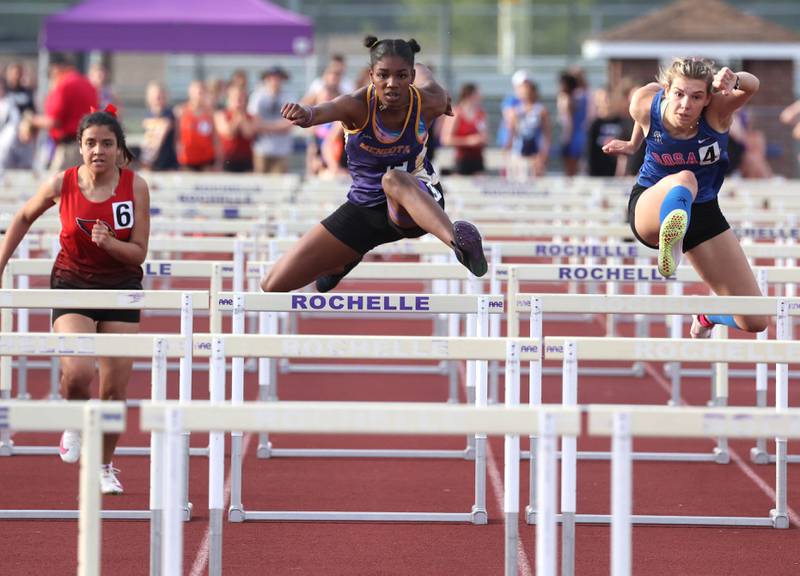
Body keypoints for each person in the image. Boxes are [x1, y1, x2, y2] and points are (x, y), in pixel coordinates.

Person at [260, 36, 488, 296]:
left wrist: (439, 94)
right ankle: (342, 262)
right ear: (371, 76)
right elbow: (322, 111)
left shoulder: (429, 99)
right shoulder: (355, 105)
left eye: (402, 76)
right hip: (365, 207)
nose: (392, 84)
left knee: (393, 179)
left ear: (411, 76)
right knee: (273, 284)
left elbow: (427, 76)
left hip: (416, 203)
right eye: (383, 75)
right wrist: (305, 114)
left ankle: (461, 244)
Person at [0, 106, 150, 494]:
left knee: (115, 389)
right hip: (72, 285)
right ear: (80, 148)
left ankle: (103, 465)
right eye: (90, 143)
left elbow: (138, 254)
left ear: (119, 150)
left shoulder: (134, 187)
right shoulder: (61, 183)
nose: (98, 150)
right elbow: (22, 217)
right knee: (80, 373)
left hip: (121, 288)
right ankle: (73, 419)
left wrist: (110, 243)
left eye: (106, 143)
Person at [603, 57, 768, 339]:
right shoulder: (644, 102)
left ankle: (706, 316)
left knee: (755, 319)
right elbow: (640, 115)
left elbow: (752, 86)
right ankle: (672, 236)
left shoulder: (716, 112)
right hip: (650, 206)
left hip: (703, 210)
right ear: (666, 91)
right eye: (679, 94)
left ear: (708, 99)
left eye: (696, 97)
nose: (685, 105)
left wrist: (734, 79)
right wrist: (633, 145)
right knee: (685, 179)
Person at [29, 53, 98, 171]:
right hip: (89, 146)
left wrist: (31, 120)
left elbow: (53, 121)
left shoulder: (64, 85)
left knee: (58, 186)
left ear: (56, 68)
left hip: (70, 147)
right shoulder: (88, 84)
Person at [248, 67, 294, 174]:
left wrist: (265, 126)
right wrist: (278, 126)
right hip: (261, 148)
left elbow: (290, 123)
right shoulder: (257, 96)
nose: (275, 82)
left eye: (278, 79)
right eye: (272, 78)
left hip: (282, 149)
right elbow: (254, 122)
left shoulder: (289, 96)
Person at [505, 79, 550, 179]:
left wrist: (544, 153)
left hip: (535, 152)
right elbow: (511, 133)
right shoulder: (514, 111)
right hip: (519, 151)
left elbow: (546, 134)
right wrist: (507, 150)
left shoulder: (541, 110)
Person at [440, 83, 488, 176]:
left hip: (478, 161)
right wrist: (468, 141)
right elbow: (445, 139)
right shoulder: (456, 113)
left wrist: (481, 139)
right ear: (470, 95)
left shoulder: (481, 113)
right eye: (477, 93)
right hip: (461, 160)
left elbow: (485, 136)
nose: (480, 96)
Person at [176, 80, 217, 171]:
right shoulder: (181, 112)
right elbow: (176, 138)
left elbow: (215, 139)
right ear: (190, 93)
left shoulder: (210, 113)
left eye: (202, 92)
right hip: (187, 160)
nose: (199, 95)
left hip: (207, 160)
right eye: (197, 92)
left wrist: (219, 162)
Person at [214, 83, 256, 172]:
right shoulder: (221, 115)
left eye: (241, 98)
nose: (238, 101)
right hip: (227, 159)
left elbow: (248, 133)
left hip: (246, 159)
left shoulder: (250, 116)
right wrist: (237, 118)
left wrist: (241, 115)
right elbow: (229, 133)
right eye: (235, 98)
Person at [586, 87, 626, 177]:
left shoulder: (622, 122)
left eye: (608, 98)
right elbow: (590, 149)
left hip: (617, 168)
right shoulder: (595, 124)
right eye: (603, 99)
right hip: (599, 168)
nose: (606, 102)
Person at [140, 82, 179, 171]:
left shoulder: (169, 114)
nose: (157, 97)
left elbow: (159, 138)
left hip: (168, 163)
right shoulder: (147, 115)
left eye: (160, 95)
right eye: (154, 95)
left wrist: (147, 160)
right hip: (151, 163)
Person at [557, 70, 589, 177]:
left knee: (570, 169)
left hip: (571, 137)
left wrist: (566, 139)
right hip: (580, 135)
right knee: (578, 168)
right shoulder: (583, 96)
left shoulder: (567, 99)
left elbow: (568, 122)